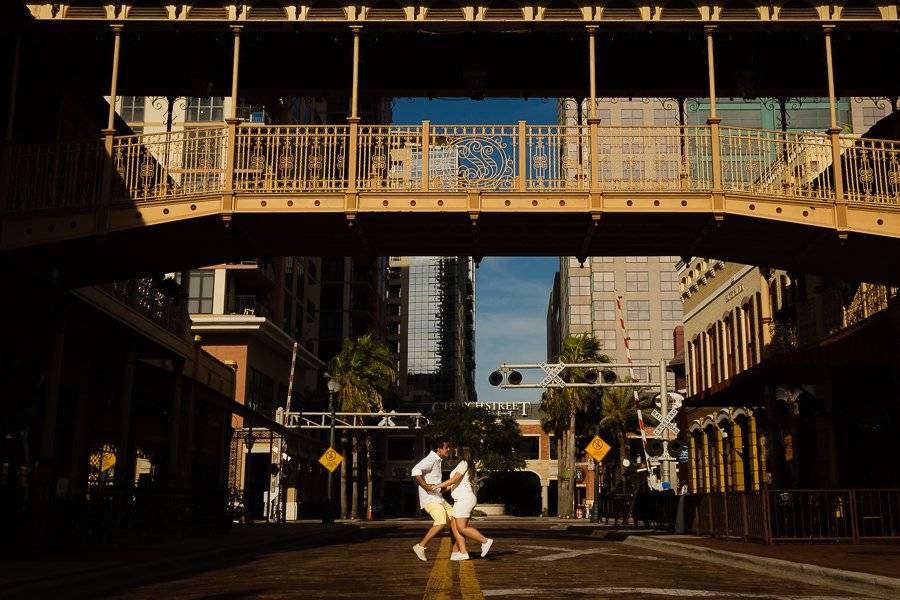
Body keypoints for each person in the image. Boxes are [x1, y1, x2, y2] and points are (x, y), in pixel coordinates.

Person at [433, 446, 493, 561]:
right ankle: (462, 552)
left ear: (462, 452)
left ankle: (485, 541)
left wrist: (437, 485)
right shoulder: (462, 464)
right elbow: (452, 484)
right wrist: (439, 491)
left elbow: (454, 479)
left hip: (464, 499)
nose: (453, 452)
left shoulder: (464, 463)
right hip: (460, 500)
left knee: (462, 528)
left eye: (456, 450)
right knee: (454, 527)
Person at [410, 438, 453, 562]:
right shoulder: (431, 459)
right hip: (430, 499)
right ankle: (420, 546)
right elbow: (415, 470)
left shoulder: (437, 460)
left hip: (437, 498)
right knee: (440, 522)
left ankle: (459, 550)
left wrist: (445, 487)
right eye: (446, 447)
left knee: (455, 520)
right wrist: (425, 486)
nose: (448, 450)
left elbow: (434, 483)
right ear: (439, 449)